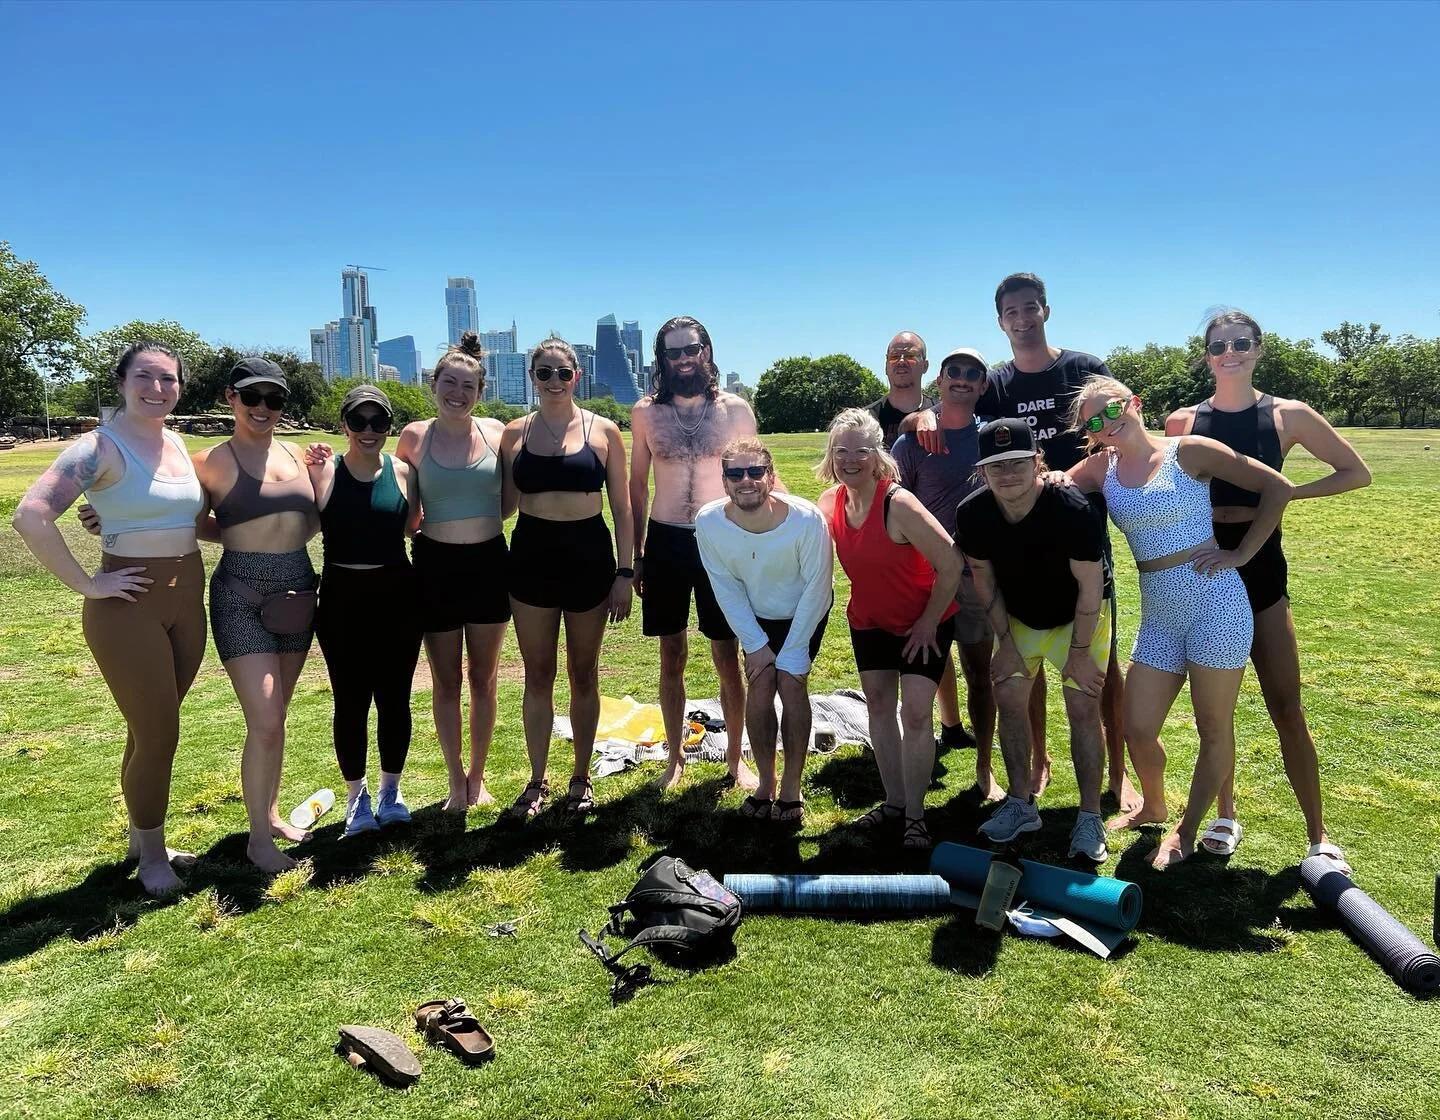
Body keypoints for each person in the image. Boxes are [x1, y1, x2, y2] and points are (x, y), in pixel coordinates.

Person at [906, 273, 1134, 810]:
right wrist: (923, 413)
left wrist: (1065, 477)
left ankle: (1118, 770)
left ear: (1045, 311)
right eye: (1012, 311)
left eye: (1031, 307)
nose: (1023, 318)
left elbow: (1118, 428)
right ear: (1000, 320)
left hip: (1077, 527)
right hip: (1014, 538)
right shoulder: (999, 381)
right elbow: (955, 406)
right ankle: (1039, 760)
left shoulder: (1082, 368)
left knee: (1100, 661)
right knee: (1026, 656)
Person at [1165, 309, 1370, 871]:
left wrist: (1286, 494)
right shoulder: (1183, 421)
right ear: (1206, 356)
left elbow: (1356, 473)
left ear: (1258, 349)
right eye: (1218, 345)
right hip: (1206, 571)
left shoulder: (1288, 415)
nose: (1229, 353)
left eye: (1240, 343)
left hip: (1262, 572)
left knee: (1286, 705)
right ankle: (1225, 815)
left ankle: (1318, 835)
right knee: (1216, 713)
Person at [1067, 377, 1293, 868]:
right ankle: (1154, 805)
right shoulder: (1102, 467)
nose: (1107, 424)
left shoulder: (1187, 451)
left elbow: (1277, 488)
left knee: (1213, 727)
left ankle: (1186, 831)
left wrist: (1242, 553)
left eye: (1113, 410)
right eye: (1094, 422)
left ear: (1134, 403)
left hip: (1216, 605)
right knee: (1137, 727)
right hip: (1160, 617)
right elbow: (1054, 486)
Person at [14, 342, 207, 895]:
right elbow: (31, 515)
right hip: (128, 608)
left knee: (147, 730)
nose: (157, 388)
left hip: (186, 602)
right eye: (145, 376)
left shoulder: (176, 441)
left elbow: (163, 510)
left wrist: (110, 513)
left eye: (168, 379)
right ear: (121, 382)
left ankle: (140, 840)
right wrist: (89, 583)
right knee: (160, 735)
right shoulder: (99, 446)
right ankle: (153, 858)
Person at [954, 420, 1112, 862]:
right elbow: (984, 581)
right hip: (1020, 617)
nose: (1007, 474)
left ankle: (1090, 815)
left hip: (1079, 617)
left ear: (1037, 461)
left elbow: (1090, 587)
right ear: (982, 471)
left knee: (1082, 705)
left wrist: (1079, 653)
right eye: (996, 465)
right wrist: (1005, 641)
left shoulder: (1071, 507)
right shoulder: (973, 513)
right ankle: (1021, 803)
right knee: (1008, 697)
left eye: (1017, 462)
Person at [499, 336, 633, 821]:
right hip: (531, 558)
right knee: (537, 674)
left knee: (583, 672)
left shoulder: (604, 431)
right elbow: (503, 505)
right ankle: (536, 779)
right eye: (544, 372)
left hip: (588, 558)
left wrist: (625, 571)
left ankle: (581, 775)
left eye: (562, 372)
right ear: (532, 377)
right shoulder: (514, 434)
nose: (553, 381)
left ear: (576, 376)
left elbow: (623, 508)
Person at [195, 357, 319, 872]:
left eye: (274, 399)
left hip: (297, 593)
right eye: (252, 397)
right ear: (232, 398)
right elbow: (182, 518)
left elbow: (315, 514)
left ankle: (269, 814)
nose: (263, 407)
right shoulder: (208, 462)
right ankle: (258, 842)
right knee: (265, 718)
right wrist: (105, 518)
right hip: (240, 595)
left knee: (276, 717)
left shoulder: (300, 455)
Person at [816, 410, 961, 849]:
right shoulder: (830, 502)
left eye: (861, 451)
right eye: (841, 451)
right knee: (879, 707)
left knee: (915, 713)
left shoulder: (898, 503)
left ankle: (916, 814)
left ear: (877, 454)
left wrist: (928, 622)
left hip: (924, 622)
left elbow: (952, 563)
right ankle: (894, 802)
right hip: (870, 621)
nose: (850, 460)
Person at [628, 316, 759, 792]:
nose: (684, 359)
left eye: (691, 349)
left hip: (720, 539)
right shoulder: (646, 413)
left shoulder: (734, 410)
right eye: (673, 352)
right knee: (672, 653)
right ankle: (675, 757)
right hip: (665, 541)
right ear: (661, 359)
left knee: (727, 652)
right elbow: (636, 486)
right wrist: (638, 553)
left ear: (707, 351)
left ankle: (735, 758)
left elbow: (758, 476)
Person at [394, 333, 512, 811]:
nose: (457, 393)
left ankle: (477, 777)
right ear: (433, 383)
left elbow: (508, 503)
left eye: (468, 386)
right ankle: (454, 780)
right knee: (446, 681)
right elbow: (406, 513)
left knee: (484, 678)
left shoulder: (498, 433)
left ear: (480, 392)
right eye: (449, 382)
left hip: (489, 564)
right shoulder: (413, 436)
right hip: (435, 567)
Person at [695, 437, 833, 824]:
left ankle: (791, 786)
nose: (746, 480)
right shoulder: (708, 522)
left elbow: (818, 588)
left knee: (791, 682)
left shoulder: (806, 520)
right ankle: (766, 782)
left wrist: (794, 649)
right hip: (758, 615)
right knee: (759, 683)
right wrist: (755, 645)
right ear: (724, 481)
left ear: (771, 477)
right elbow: (725, 586)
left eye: (756, 471)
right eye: (735, 473)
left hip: (805, 610)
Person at [306, 386, 423, 836]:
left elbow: (413, 527)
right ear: (345, 425)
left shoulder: (404, 472)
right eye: (359, 421)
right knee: (350, 701)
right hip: (342, 598)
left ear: (390, 426)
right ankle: (357, 798)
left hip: (397, 595)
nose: (369, 430)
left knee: (395, 699)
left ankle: (391, 792)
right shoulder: (323, 469)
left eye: (379, 421)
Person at [891, 347, 999, 795]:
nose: (962, 378)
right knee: (921, 669)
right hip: (925, 577)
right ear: (938, 380)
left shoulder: (992, 437)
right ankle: (915, 756)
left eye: (973, 373)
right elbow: (893, 504)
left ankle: (984, 768)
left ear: (982, 385)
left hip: (976, 577)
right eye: (954, 371)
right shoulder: (912, 442)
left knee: (979, 672)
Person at [866, 332, 938, 450]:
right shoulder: (866, 420)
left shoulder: (942, 415)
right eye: (894, 357)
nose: (901, 361)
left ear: (925, 366)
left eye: (910, 356)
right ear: (886, 366)